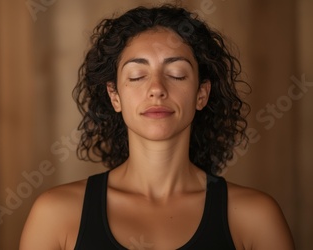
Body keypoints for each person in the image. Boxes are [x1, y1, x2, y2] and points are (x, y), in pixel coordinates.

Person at [20, 5, 294, 250]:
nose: (156, 89)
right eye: (137, 76)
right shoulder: (56, 215)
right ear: (115, 96)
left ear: (201, 94)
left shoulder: (256, 218)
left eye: (176, 74)